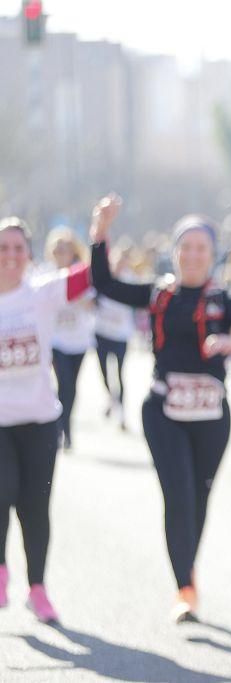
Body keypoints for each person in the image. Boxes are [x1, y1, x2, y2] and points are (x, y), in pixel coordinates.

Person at [89, 194, 231, 623]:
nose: (193, 255)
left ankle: (189, 570)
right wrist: (100, 235)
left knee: (199, 498)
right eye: (186, 247)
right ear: (175, 252)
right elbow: (106, 285)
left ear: (212, 254)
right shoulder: (158, 294)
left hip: (211, 417)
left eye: (201, 247)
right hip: (164, 412)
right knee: (178, 495)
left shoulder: (226, 298)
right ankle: (184, 587)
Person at [0, 216, 91, 623]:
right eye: (3, 248)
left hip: (38, 420)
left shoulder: (42, 293)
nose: (10, 256)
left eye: (18, 248)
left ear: (29, 254)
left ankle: (38, 587)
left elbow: (93, 276)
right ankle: (1, 571)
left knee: (36, 506)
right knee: (2, 493)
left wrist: (99, 232)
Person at [45, 228, 95, 451]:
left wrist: (77, 296)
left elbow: (92, 304)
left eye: (64, 250)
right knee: (63, 383)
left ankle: (67, 426)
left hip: (79, 340)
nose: (59, 254)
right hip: (56, 341)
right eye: (56, 250)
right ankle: (59, 429)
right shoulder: (46, 277)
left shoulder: (82, 275)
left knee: (71, 388)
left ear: (73, 251)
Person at [94, 244, 137, 430]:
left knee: (119, 375)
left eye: (124, 262)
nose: (121, 265)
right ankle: (111, 398)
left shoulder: (132, 282)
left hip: (121, 335)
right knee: (104, 373)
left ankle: (122, 415)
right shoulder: (105, 280)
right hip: (102, 333)